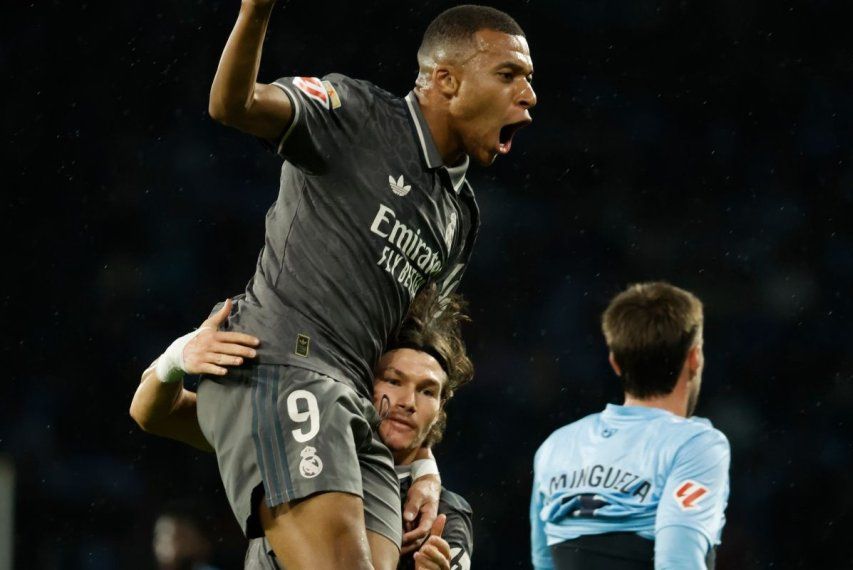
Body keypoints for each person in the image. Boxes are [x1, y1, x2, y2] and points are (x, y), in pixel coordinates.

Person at [189, 2, 535, 568]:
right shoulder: (355, 114)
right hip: (285, 365)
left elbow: (415, 343)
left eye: (528, 80)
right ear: (445, 81)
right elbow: (233, 103)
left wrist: (423, 463)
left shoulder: (460, 217)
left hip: (353, 406)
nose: (528, 96)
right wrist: (256, 11)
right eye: (508, 75)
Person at [132, 287, 475, 570]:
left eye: (427, 391)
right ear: (359, 380)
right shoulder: (295, 433)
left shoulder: (440, 515)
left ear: (441, 407)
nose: (408, 401)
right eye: (393, 380)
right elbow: (153, 414)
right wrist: (178, 356)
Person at [530, 282, 730, 570]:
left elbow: (544, 563)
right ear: (694, 357)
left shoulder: (556, 445)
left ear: (615, 363)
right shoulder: (695, 445)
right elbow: (677, 561)